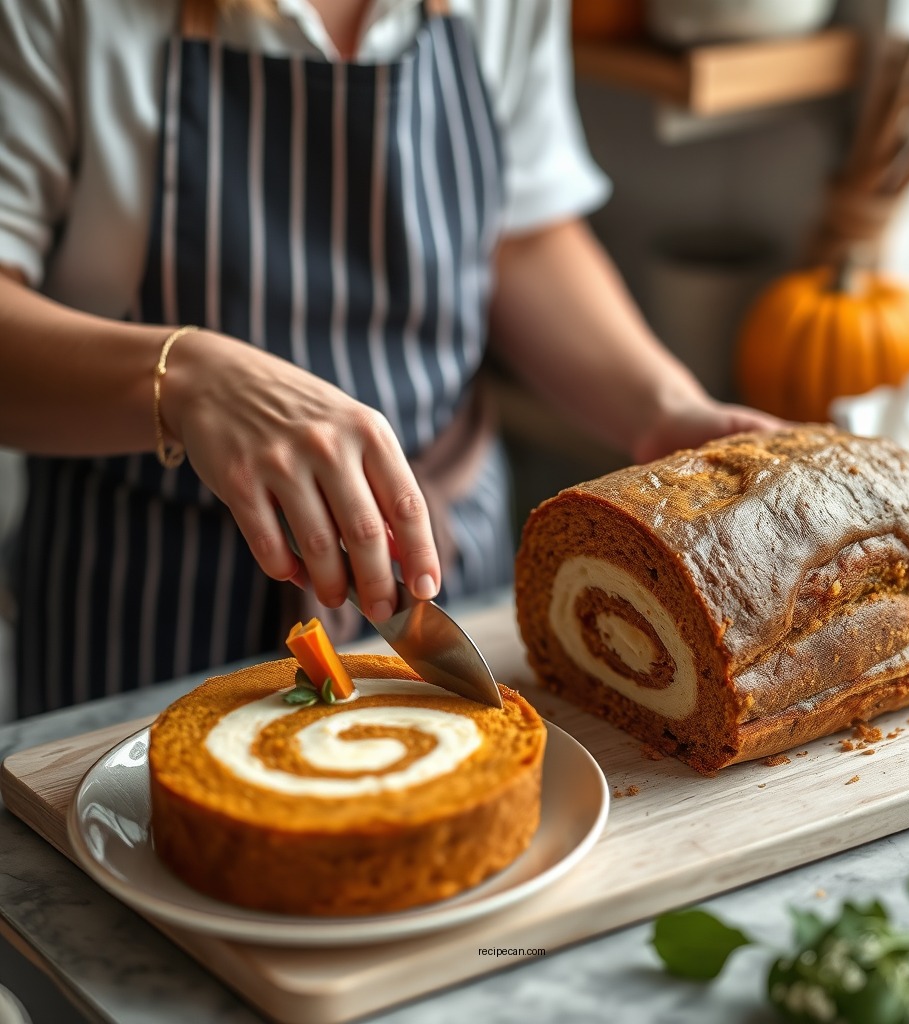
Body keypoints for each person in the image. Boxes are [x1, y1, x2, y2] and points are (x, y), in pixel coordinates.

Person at [0, 0, 780, 717]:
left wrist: (661, 405)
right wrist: (185, 377)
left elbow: (521, 237)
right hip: (149, 606)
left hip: (436, 578)